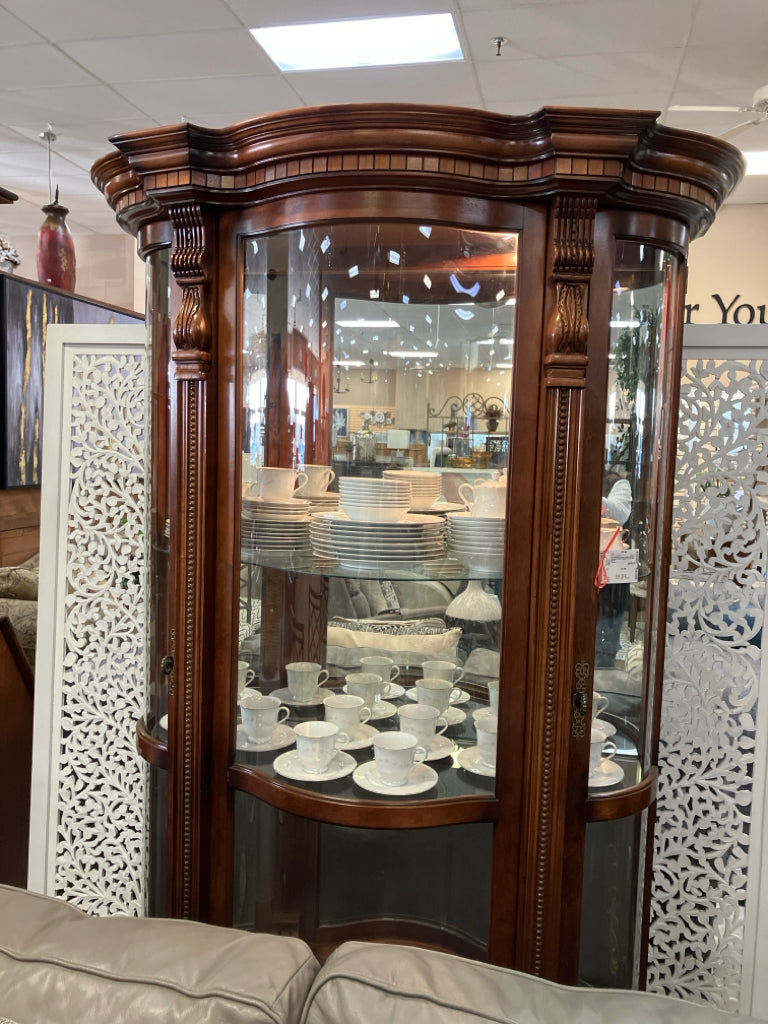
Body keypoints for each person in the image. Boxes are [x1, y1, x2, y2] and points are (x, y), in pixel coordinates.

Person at [596, 471, 632, 668]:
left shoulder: (620, 484)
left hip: (615, 562)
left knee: (611, 619)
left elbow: (619, 513)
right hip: (591, 563)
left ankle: (606, 660)